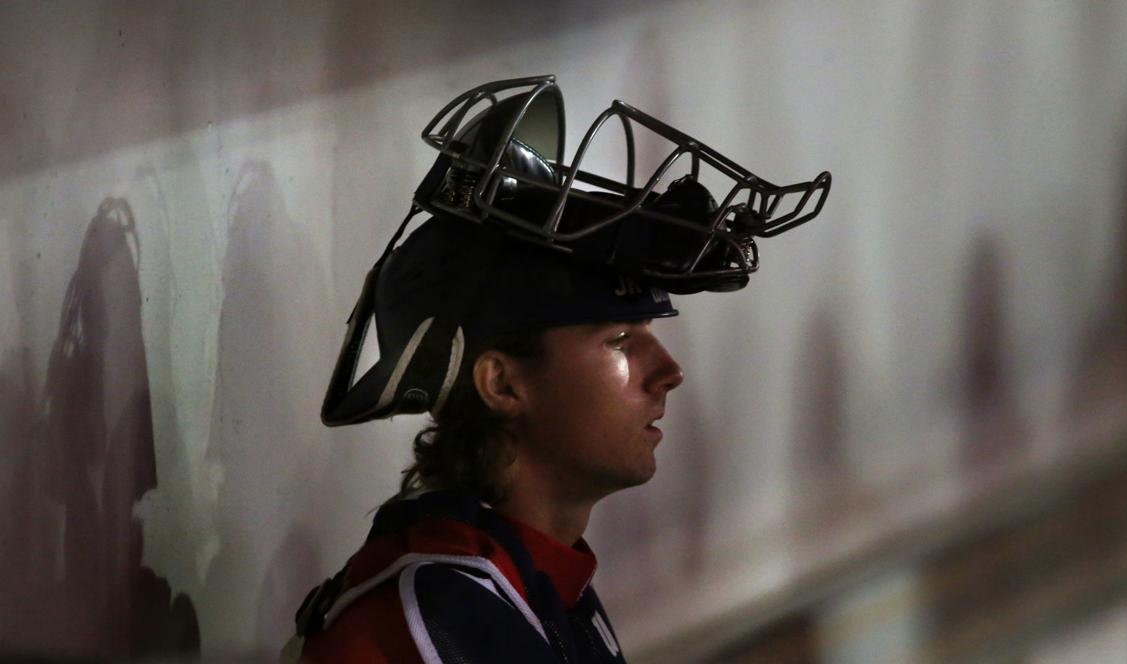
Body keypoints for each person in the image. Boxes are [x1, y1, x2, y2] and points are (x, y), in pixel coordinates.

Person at [287, 75, 830, 663]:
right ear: (503, 383)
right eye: (621, 340)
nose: (668, 371)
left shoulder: (543, 587)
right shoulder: (430, 622)